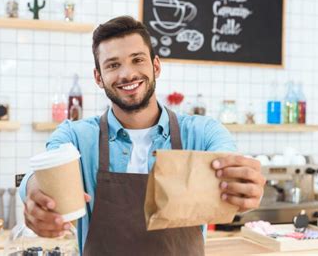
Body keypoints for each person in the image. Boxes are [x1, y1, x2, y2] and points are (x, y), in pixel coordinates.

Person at [19, 15, 266, 255]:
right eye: (113, 65)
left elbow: (229, 166)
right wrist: (35, 193)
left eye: (137, 60)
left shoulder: (203, 133)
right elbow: (42, 171)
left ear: (155, 66)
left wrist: (243, 185)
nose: (127, 74)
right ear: (98, 77)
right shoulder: (76, 135)